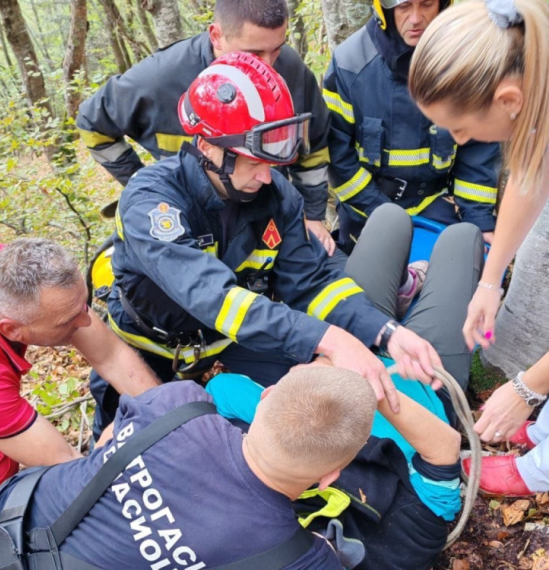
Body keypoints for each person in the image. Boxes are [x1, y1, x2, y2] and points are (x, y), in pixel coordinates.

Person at [90, 50, 468, 438]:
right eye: (253, 162)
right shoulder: (152, 203)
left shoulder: (277, 197)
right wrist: (329, 337)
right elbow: (214, 298)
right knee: (134, 446)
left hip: (229, 340)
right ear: (207, 147)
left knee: (309, 410)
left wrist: (385, 331)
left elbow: (311, 284)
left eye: (273, 162)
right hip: (148, 345)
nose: (267, 178)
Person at [0, 366, 378, 569]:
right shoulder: (298, 558)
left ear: (265, 397)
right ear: (330, 477)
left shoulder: (179, 403)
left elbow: (107, 444)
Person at [409, 0, 549, 496]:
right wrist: (490, 279)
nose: (457, 139)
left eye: (461, 128)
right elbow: (532, 173)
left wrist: (529, 387)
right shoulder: (535, 91)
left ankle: (541, 470)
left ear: (509, 99)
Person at [76, 0, 336, 254]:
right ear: (217, 36)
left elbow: (312, 149)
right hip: (190, 225)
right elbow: (91, 123)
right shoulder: (160, 78)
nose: (267, 65)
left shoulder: (290, 70)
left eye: (277, 48)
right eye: (254, 54)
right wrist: (137, 179)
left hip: (264, 212)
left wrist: (312, 215)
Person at [206, 359, 462, 570]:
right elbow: (445, 448)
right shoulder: (409, 534)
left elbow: (220, 387)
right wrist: (362, 378)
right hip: (426, 388)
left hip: (379, 381)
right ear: (330, 476)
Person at [0, 239, 160, 507]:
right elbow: (74, 472)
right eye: (68, 320)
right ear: (12, 330)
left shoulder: (4, 266)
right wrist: (123, 436)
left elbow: (111, 355)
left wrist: (164, 412)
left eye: (82, 305)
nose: (87, 321)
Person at [322, 0, 501, 258]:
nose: (416, 18)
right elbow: (337, 155)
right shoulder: (350, 63)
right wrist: (380, 212)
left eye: (426, 4)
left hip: (437, 205)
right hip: (366, 210)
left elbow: (478, 148)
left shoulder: (465, 60)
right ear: (385, 9)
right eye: (404, 6)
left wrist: (479, 220)